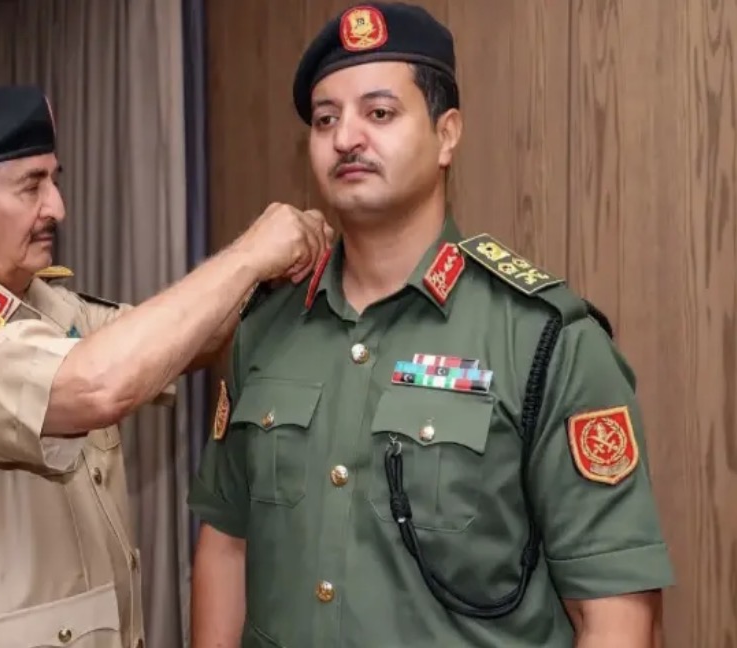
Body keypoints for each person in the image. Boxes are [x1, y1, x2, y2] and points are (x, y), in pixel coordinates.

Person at [188, 3, 674, 646]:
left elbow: (616, 611)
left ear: (447, 135)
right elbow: (227, 546)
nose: (346, 137)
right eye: (326, 119)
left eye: (379, 113)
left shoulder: (543, 339)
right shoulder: (265, 329)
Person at [0, 84, 331, 648]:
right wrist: (250, 254)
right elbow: (98, 385)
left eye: (54, 181)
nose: (57, 207)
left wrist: (267, 279)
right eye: (31, 186)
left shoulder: (51, 308)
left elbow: (186, 341)